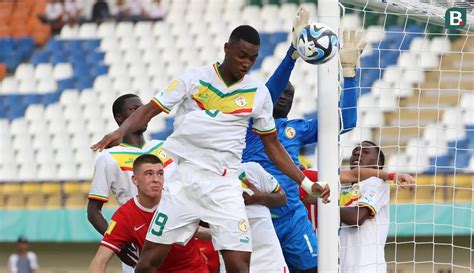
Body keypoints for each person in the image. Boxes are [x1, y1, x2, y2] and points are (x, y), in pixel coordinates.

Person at [91, 25, 329, 273]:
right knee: (150, 261)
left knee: (239, 264)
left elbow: (273, 145)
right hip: (184, 182)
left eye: (252, 58)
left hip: (224, 186)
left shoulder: (258, 93)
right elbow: (150, 109)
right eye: (241, 55)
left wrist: (306, 184)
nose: (246, 63)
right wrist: (120, 132)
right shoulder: (193, 79)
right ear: (227, 49)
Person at [240, 8, 363, 272]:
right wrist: (292, 55)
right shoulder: (248, 123)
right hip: (255, 212)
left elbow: (346, 123)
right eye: (281, 91)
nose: (284, 95)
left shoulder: (298, 128)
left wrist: (350, 73)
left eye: (290, 93)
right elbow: (269, 94)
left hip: (292, 216)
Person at [87, 94, 176, 272]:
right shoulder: (108, 158)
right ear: (119, 118)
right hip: (138, 239)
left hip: (173, 232)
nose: (141, 112)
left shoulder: (163, 147)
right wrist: (118, 244)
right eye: (133, 110)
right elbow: (93, 211)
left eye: (142, 109)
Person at [89, 154, 208, 273]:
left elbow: (203, 230)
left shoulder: (180, 201)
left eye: (160, 173)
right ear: (135, 180)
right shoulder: (125, 215)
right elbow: (99, 261)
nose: (156, 179)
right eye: (149, 174)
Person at [339, 141, 392, 273]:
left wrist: (325, 205)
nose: (357, 153)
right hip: (343, 267)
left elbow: (356, 218)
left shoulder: (377, 183)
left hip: (368, 267)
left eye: (365, 152)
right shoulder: (342, 188)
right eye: (355, 152)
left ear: (378, 164)